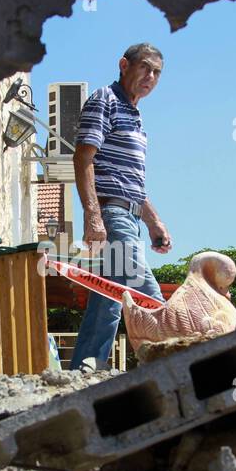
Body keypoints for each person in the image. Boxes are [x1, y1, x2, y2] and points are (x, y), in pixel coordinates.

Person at [69, 43, 172, 371]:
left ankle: (85, 369)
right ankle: (173, 363)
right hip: (112, 215)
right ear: (124, 65)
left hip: (129, 214)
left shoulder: (136, 116)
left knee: (111, 295)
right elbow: (83, 157)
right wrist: (94, 216)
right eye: (145, 68)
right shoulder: (105, 100)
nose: (150, 77)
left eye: (157, 72)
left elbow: (131, 184)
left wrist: (154, 222)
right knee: (147, 291)